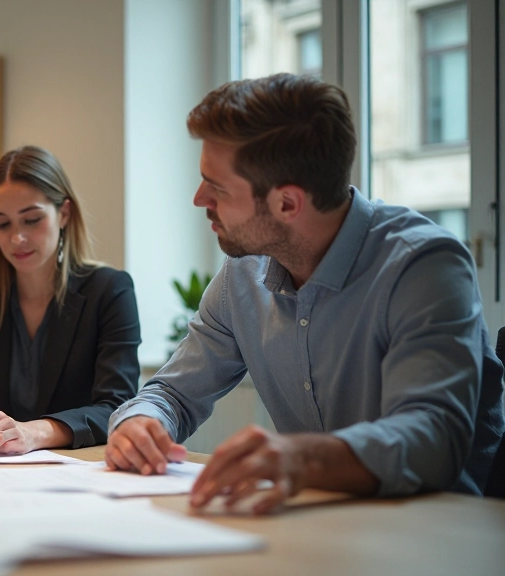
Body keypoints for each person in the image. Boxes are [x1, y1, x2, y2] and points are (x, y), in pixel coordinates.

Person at [105, 73, 505, 513]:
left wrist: (304, 457)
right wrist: (140, 423)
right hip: (308, 525)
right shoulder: (243, 272)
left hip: (431, 534)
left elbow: (432, 440)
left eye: (216, 187)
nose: (200, 199)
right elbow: (173, 394)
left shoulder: (422, 266)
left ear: (288, 204)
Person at [0, 145, 141, 454]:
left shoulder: (110, 291)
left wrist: (36, 432)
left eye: (31, 220)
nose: (16, 238)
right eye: (2, 223)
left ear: (64, 214)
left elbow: (118, 407)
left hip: (76, 474)